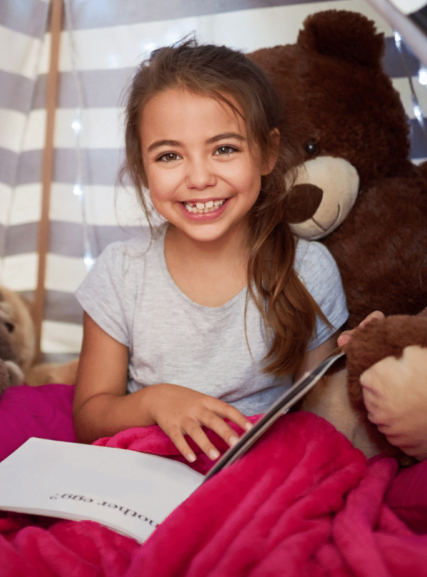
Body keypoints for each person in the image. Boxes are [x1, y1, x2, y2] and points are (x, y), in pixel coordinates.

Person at [73, 39, 348, 463]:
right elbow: (89, 416)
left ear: (267, 153)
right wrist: (156, 402)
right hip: (149, 470)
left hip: (258, 469)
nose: (199, 178)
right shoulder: (120, 273)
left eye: (224, 149)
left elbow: (321, 413)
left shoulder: (308, 267)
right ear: (143, 169)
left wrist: (362, 361)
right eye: (169, 156)